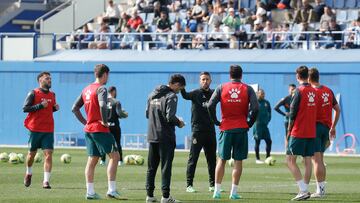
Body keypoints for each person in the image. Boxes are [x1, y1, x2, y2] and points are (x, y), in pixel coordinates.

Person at [72, 64, 123, 200]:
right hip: (100, 129)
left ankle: (90, 192)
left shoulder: (86, 89)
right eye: (108, 75)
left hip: (89, 129)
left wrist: (86, 122)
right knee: (115, 157)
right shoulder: (101, 88)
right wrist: (105, 121)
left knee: (92, 159)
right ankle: (111, 190)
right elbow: (102, 105)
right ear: (105, 74)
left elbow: (74, 108)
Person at [207, 65, 258, 200]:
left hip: (226, 127)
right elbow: (256, 108)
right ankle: (233, 192)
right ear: (241, 75)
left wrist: (216, 121)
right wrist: (249, 123)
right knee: (238, 161)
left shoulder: (221, 87)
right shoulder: (248, 88)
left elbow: (210, 105)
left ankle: (216, 191)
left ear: (230, 75)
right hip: (241, 128)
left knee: (221, 160)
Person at [145, 74, 186, 203]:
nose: (179, 92)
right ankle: (166, 197)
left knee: (151, 168)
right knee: (166, 167)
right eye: (180, 88)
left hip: (152, 135)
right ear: (176, 84)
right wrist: (179, 122)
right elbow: (170, 117)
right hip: (165, 137)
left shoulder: (152, 94)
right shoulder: (171, 96)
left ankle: (150, 196)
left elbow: (147, 114)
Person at [180, 72, 217, 193]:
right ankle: (189, 185)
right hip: (197, 131)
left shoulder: (214, 93)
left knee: (211, 159)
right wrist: (182, 86)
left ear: (210, 81)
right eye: (203, 79)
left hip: (211, 131)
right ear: (199, 81)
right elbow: (185, 95)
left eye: (207, 79)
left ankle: (213, 185)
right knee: (193, 158)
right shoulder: (195, 93)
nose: (205, 81)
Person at [23, 71, 59, 189]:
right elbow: (25, 108)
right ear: (40, 81)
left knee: (48, 154)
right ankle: (28, 172)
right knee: (31, 155)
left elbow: (47, 110)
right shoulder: (33, 93)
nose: (50, 80)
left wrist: (54, 109)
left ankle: (46, 181)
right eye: (47, 78)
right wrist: (39, 105)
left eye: (50, 79)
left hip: (48, 129)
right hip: (35, 129)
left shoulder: (52, 95)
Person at [308, 68, 340, 198]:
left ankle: (320, 191)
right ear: (318, 77)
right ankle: (321, 189)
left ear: (309, 79)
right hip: (325, 128)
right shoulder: (328, 90)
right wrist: (333, 127)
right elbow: (337, 109)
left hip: (314, 128)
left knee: (316, 160)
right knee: (320, 159)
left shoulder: (310, 91)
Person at [286, 66, 317, 201]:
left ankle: (303, 190)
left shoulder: (299, 91)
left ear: (298, 76)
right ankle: (304, 189)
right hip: (311, 131)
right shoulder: (314, 91)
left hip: (298, 131)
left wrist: (288, 130)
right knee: (308, 161)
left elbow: (292, 113)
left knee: (290, 160)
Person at [100, 86, 128, 166]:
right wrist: (125, 114)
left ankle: (103, 160)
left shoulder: (103, 101)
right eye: (115, 91)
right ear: (113, 92)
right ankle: (120, 161)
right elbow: (120, 113)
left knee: (104, 143)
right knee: (117, 143)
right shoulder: (116, 102)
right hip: (114, 126)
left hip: (105, 126)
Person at [253, 89, 272, 164]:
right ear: (257, 94)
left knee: (269, 141)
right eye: (261, 93)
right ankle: (257, 159)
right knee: (257, 142)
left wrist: (268, 120)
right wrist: (253, 120)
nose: (263, 95)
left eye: (263, 93)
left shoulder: (266, 102)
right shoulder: (255, 102)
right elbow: (248, 112)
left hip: (265, 126)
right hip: (257, 126)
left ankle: (268, 157)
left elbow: (269, 112)